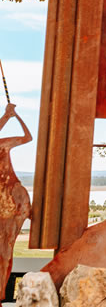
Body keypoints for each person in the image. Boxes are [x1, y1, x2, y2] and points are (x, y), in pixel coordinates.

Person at [0, 104, 31, 296]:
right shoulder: (3, 145)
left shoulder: (3, 145)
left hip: (11, 199)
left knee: (6, 249)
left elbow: (28, 137)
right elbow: (28, 137)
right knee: (5, 250)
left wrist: (12, 115)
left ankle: (1, 291)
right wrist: (9, 115)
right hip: (8, 200)